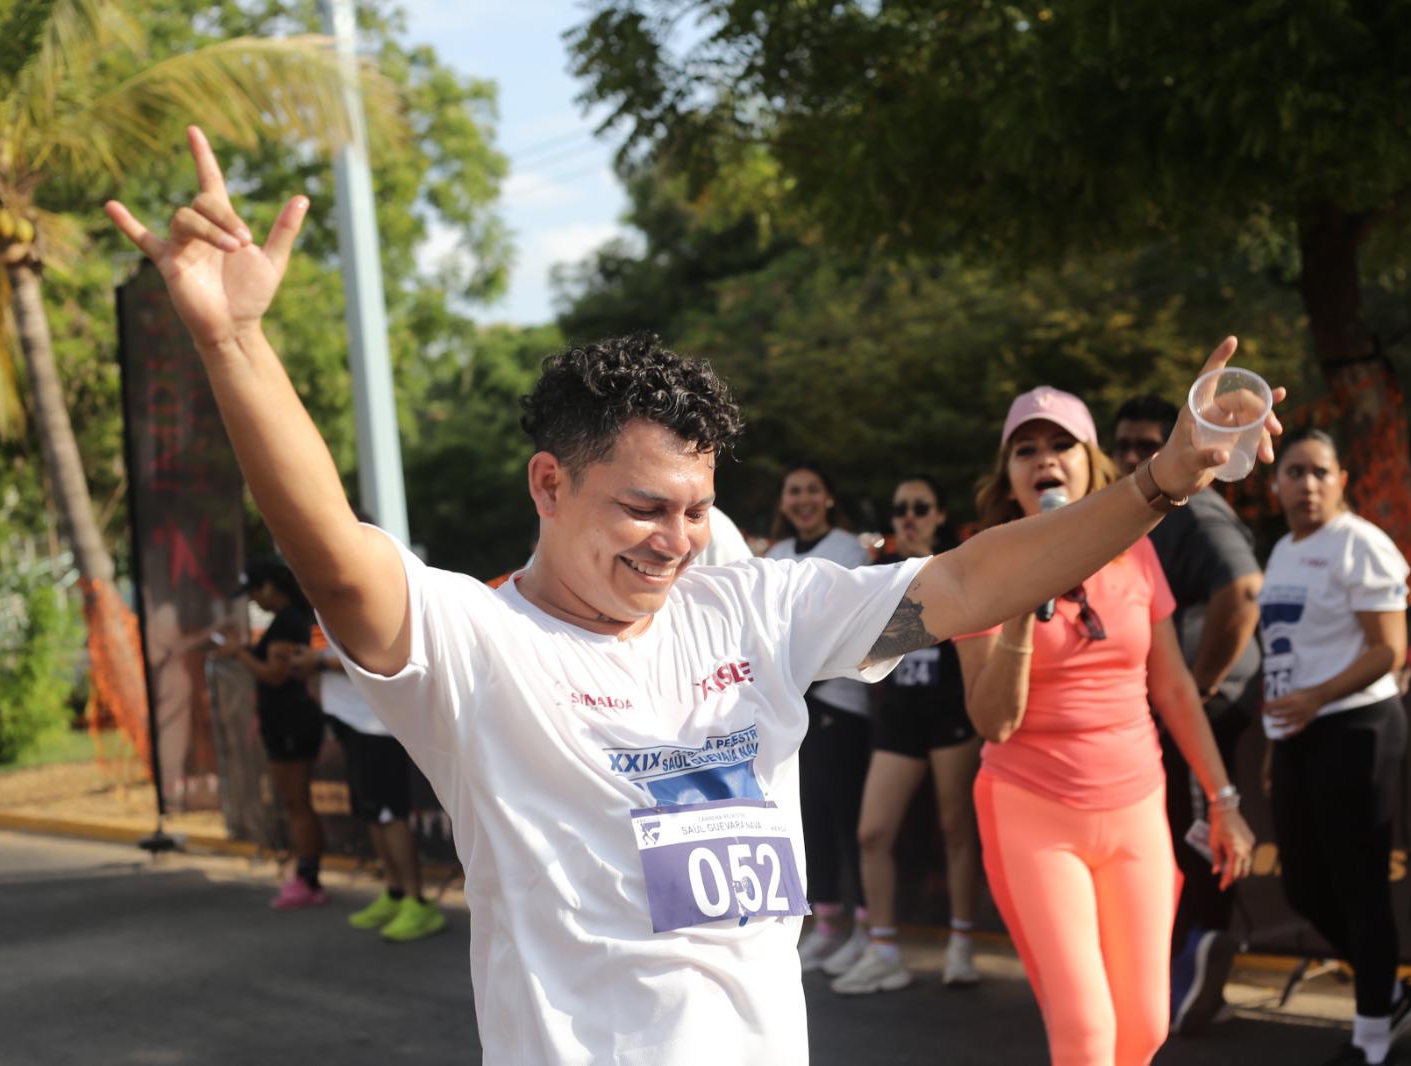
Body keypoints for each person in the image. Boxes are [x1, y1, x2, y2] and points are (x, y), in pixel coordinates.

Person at [105, 129, 1281, 1064]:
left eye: (692, 509)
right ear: (549, 483)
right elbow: (335, 556)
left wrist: (1163, 479)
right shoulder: (472, 647)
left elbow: (970, 580)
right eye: (641, 509)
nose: (674, 541)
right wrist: (237, 343)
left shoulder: (752, 609)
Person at [960, 386, 1257, 1066]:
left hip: (1136, 807)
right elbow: (992, 721)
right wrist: (1020, 601)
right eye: (1025, 449)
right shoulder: (981, 564)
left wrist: (1224, 799)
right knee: (1087, 1035)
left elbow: (1175, 687)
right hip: (1030, 811)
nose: (1045, 459)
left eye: (1061, 443)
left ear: (1090, 464)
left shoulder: (1137, 552)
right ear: (1007, 478)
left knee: (1146, 1029)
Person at [1260, 429, 1411, 1066]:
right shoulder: (1281, 549)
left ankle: (1371, 1041)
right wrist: (1280, 739)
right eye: (1294, 472)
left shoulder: (1360, 543)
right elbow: (1287, 658)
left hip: (1357, 726)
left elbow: (1388, 651)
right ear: (1274, 483)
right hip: (1299, 734)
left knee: (1360, 885)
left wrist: (1315, 699)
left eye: (1319, 472)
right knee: (1304, 887)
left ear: (1342, 480)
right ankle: (1387, 990)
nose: (1306, 484)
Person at [1112, 394, 1263, 1034]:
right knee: (1180, 835)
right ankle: (1187, 978)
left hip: (1208, 709)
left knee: (1200, 840)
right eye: (1120, 446)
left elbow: (1245, 591)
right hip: (1181, 710)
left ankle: (1199, 968)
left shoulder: (1193, 507)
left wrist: (1196, 688)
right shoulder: (1143, 509)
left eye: (1147, 443)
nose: (1131, 457)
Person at [830, 474, 982, 994]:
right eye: (901, 509)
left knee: (956, 827)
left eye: (921, 507)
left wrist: (927, 568)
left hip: (949, 713)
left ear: (939, 515)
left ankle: (961, 944)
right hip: (897, 715)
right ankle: (884, 949)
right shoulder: (878, 573)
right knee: (873, 831)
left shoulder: (955, 565)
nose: (910, 517)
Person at [764, 464, 875, 974]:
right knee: (808, 819)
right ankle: (828, 924)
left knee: (849, 818)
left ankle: (868, 927)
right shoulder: (775, 556)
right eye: (794, 491)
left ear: (829, 497)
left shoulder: (848, 550)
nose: (803, 499)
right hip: (792, 708)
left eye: (813, 489)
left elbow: (842, 629)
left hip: (839, 704)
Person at [291, 638, 448, 942]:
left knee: (390, 815)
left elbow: (381, 658)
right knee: (372, 813)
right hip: (351, 722)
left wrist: (319, 663)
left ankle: (418, 902)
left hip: (376, 725)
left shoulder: (361, 601)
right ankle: (396, 892)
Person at [213, 558, 327, 909]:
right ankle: (305, 873)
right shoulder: (286, 620)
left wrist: (238, 654)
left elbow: (274, 674)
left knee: (297, 803)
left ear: (267, 588)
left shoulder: (289, 620)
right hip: (284, 721)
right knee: (294, 803)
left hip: (292, 721)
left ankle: (308, 878)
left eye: (253, 593)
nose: (252, 601)